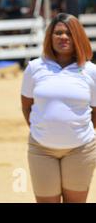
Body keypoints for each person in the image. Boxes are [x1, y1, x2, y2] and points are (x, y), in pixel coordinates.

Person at [21, 13, 96, 203]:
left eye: (69, 33)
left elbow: (95, 111)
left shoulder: (91, 71)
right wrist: (45, 129)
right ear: (50, 37)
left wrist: (74, 131)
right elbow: (26, 106)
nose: (63, 37)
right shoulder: (35, 67)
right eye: (58, 33)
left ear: (77, 37)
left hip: (81, 150)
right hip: (41, 149)